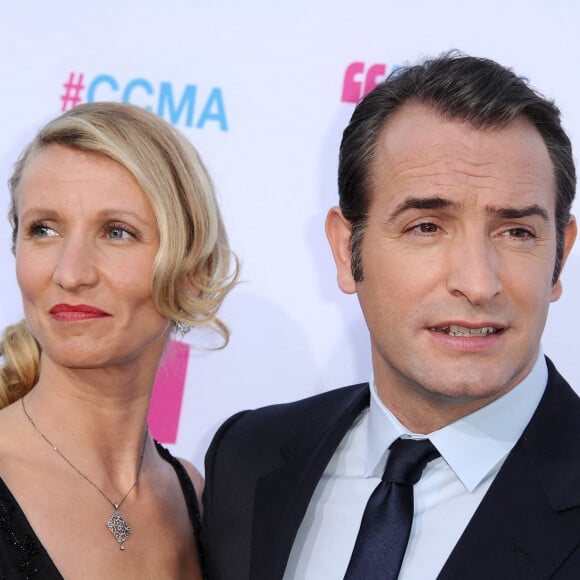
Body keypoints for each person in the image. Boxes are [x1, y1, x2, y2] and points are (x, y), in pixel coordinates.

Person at [201, 52, 580, 579]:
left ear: (560, 255)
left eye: (516, 233)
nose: (477, 282)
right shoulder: (248, 458)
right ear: (344, 251)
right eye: (426, 227)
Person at [0, 101, 237, 579]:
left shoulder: (196, 498)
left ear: (192, 272)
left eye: (116, 232)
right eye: (43, 230)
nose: (70, 273)